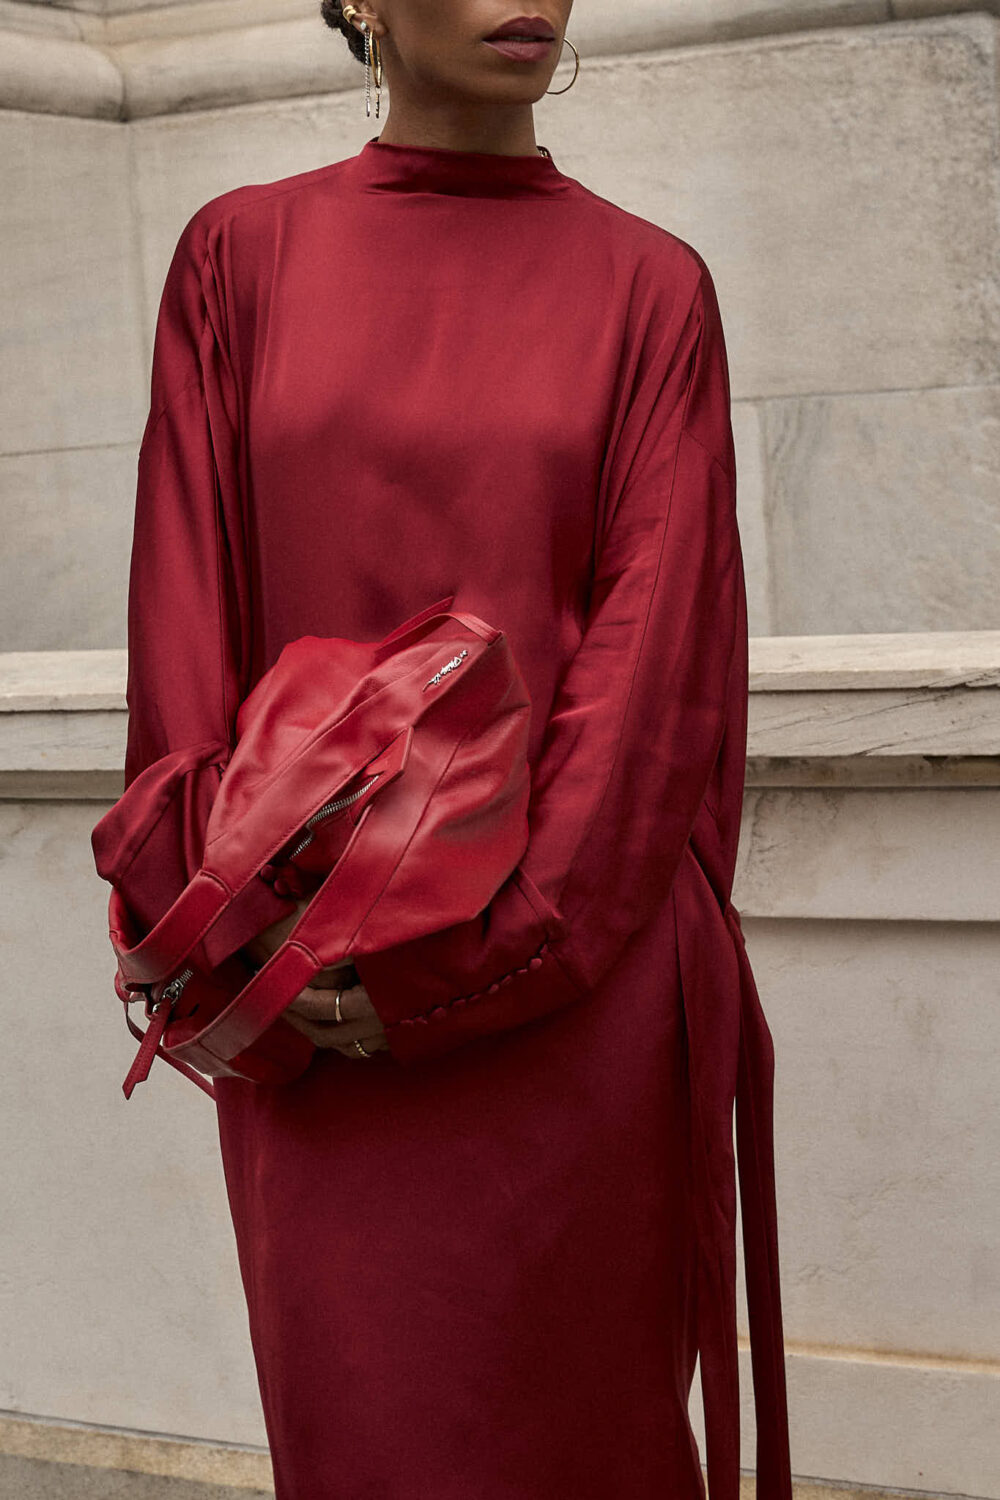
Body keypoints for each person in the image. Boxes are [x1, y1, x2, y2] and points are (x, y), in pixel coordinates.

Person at [118, 0, 794, 1494]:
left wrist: (470, 967)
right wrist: (244, 938)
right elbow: (182, 627)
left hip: (571, 985)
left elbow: (658, 674)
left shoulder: (651, 286)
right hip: (306, 1005)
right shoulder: (238, 257)